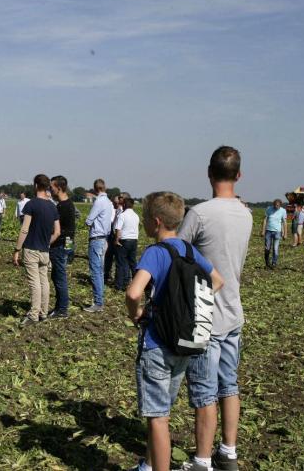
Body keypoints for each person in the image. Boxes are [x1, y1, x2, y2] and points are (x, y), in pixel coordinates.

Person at [126, 191, 224, 471]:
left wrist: (136, 314)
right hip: (183, 343)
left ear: (156, 221)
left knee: (157, 418)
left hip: (157, 343)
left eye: (145, 218)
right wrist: (189, 307)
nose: (144, 222)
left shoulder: (155, 253)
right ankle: (147, 465)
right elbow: (218, 281)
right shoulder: (190, 251)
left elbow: (133, 293)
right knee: (161, 412)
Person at [174, 146, 254, 471]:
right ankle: (228, 453)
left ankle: (202, 461)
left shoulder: (199, 214)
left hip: (204, 313)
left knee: (204, 393)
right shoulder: (247, 214)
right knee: (229, 385)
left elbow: (176, 256)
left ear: (209, 173)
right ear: (239, 175)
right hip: (234, 310)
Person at [14, 174, 60, 326]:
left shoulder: (31, 204)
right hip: (45, 251)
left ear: (35, 185)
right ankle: (43, 313)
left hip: (31, 250)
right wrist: (46, 243)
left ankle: (33, 315)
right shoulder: (53, 207)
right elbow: (57, 232)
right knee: (44, 281)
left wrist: (17, 249)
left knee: (34, 283)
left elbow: (24, 229)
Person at [84, 179, 114, 312]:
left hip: (96, 238)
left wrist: (88, 221)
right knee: (100, 271)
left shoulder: (99, 201)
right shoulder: (109, 202)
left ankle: (98, 303)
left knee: (95, 271)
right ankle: (100, 300)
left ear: (95, 189)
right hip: (104, 238)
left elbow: (89, 220)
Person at [47, 175, 75, 319]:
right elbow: (71, 231)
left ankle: (62, 309)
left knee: (59, 277)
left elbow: (58, 230)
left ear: (59, 187)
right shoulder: (68, 204)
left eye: (51, 187)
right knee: (58, 275)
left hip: (59, 245)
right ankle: (59, 307)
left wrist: (48, 243)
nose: (50, 189)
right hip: (65, 244)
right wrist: (69, 249)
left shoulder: (62, 206)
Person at [114, 195, 140, 291]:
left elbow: (118, 229)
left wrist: (116, 240)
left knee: (121, 263)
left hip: (124, 241)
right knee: (133, 263)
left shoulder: (122, 215)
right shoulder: (136, 216)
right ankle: (136, 284)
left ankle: (119, 285)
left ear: (124, 204)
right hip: (134, 241)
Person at [260, 199, 288, 269]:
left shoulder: (283, 211)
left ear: (280, 205)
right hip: (268, 231)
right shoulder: (269, 209)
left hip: (277, 232)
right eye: (275, 205)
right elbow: (265, 220)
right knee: (267, 248)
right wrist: (263, 231)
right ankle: (267, 263)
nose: (276, 206)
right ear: (273, 204)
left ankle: (274, 263)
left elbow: (284, 222)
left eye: (278, 205)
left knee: (275, 249)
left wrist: (285, 233)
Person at [104, 194, 123, 285]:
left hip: (117, 235)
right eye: (114, 202)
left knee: (118, 258)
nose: (114, 204)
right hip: (111, 233)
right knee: (108, 256)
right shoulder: (112, 208)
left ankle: (118, 279)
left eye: (116, 203)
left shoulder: (122, 211)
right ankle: (107, 275)